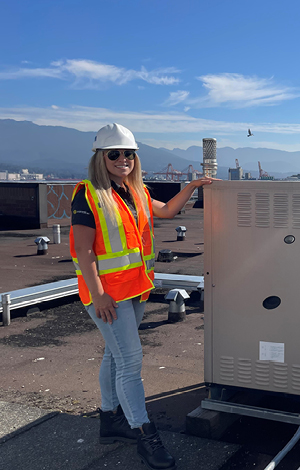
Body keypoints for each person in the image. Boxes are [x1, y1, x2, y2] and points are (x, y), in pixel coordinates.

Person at [69, 123, 215, 470]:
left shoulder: (133, 192)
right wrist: (100, 294)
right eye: (114, 154)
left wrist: (193, 186)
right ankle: (144, 433)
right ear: (100, 158)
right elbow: (83, 252)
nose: (123, 159)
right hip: (107, 297)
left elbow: (165, 211)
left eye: (128, 154)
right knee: (131, 361)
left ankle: (110, 421)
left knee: (116, 357)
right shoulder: (88, 194)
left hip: (134, 290)